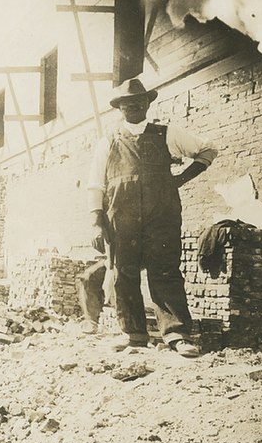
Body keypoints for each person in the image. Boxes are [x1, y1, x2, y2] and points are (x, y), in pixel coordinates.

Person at [87, 77, 217, 357]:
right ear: (119, 108)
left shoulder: (167, 133)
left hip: (162, 217)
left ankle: (177, 336)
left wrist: (181, 178)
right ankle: (134, 335)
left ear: (147, 103)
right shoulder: (108, 142)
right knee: (124, 274)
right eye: (126, 103)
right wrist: (96, 223)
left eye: (138, 101)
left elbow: (208, 149)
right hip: (121, 219)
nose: (133, 106)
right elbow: (96, 184)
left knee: (165, 272)